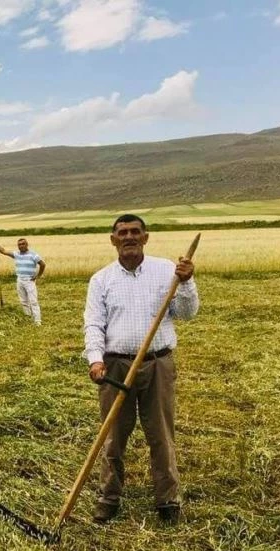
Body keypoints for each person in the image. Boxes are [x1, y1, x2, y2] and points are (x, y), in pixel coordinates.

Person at [84, 214, 199, 525]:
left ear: (146, 237)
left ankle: (167, 500)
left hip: (158, 362)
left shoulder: (166, 272)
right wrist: (95, 359)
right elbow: (94, 323)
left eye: (136, 231)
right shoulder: (101, 280)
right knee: (112, 435)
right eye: (122, 232)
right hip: (116, 366)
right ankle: (108, 497)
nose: (129, 237)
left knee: (161, 434)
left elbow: (187, 313)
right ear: (113, 240)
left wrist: (186, 281)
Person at [0, 236, 45, 325]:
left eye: (23, 244)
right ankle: (27, 316)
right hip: (19, 280)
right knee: (23, 301)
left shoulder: (33, 255)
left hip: (29, 281)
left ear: (27, 244)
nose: (21, 246)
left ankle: (37, 321)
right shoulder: (16, 254)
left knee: (33, 301)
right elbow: (3, 251)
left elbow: (42, 264)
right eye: (19, 244)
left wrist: (38, 276)